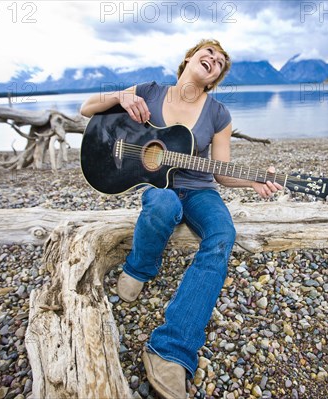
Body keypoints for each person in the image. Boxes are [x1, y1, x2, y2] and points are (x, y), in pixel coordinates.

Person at [80, 39, 282, 399]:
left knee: (222, 234)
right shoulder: (150, 91)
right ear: (190, 57)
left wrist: (254, 179)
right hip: (160, 187)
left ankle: (171, 350)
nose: (213, 60)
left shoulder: (218, 114)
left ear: (215, 77)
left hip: (201, 190)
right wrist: (120, 98)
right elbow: (86, 107)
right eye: (209, 53)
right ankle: (140, 267)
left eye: (220, 62)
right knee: (163, 205)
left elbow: (220, 173)